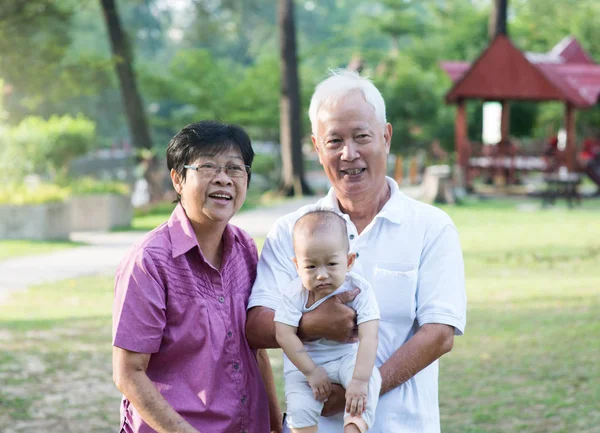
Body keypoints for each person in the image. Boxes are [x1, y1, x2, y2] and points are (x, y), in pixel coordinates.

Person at [246, 70, 467, 433]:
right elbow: (255, 324)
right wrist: (309, 325)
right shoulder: (292, 230)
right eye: (334, 141)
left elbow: (440, 333)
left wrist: (360, 390)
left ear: (386, 137)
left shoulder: (431, 226)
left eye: (362, 136)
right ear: (317, 148)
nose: (350, 153)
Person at [112, 120, 282, 433]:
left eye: (234, 168)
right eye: (208, 167)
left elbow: (254, 351)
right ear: (177, 179)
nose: (223, 179)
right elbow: (128, 374)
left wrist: (276, 425)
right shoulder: (149, 261)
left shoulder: (245, 248)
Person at [275, 209, 380, 433]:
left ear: (349, 260)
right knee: (299, 406)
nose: (321, 274)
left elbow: (369, 335)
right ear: (297, 266)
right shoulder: (294, 293)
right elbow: (283, 334)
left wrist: (359, 381)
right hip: (304, 365)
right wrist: (311, 372)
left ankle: (353, 426)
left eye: (331, 264)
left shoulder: (358, 289)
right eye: (311, 266)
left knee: (370, 381)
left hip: (345, 358)